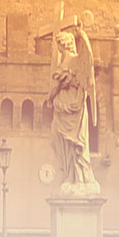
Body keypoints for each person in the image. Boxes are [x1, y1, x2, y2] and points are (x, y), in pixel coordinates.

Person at [47, 16, 101, 193]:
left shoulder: (75, 60)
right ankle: (69, 176)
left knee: (75, 145)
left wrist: (81, 33)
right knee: (58, 139)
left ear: (64, 44)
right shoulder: (64, 62)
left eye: (59, 45)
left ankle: (79, 177)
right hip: (63, 110)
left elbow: (75, 82)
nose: (58, 49)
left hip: (73, 109)